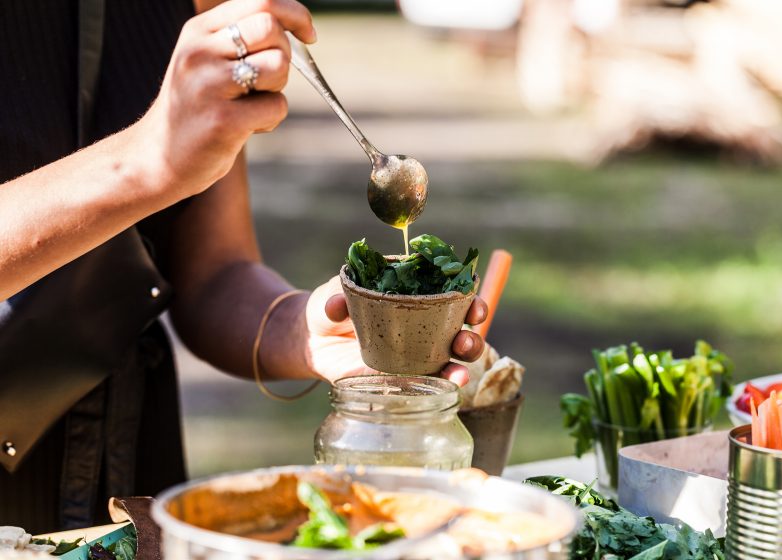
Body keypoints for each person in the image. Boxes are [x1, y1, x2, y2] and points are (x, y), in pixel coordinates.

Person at [0, 0, 486, 532]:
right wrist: (144, 162)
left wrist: (304, 330)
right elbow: (157, 162)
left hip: (127, 455)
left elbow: (213, 271)